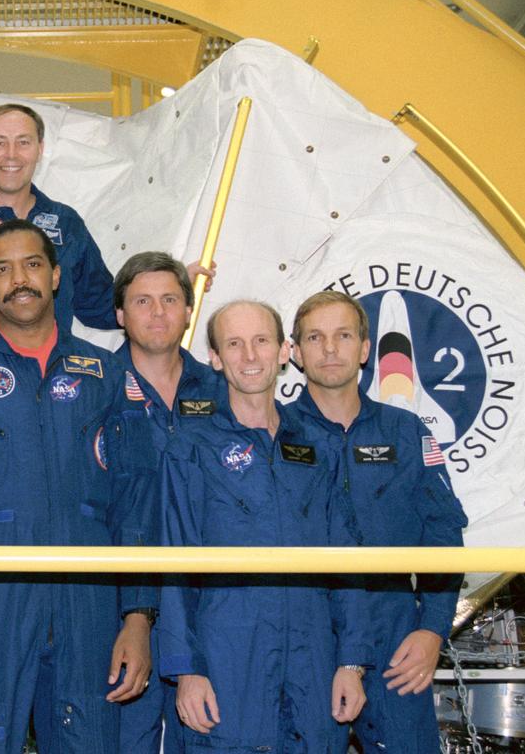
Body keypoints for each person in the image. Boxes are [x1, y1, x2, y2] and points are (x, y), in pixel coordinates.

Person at [0, 220, 148, 753]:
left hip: (88, 607)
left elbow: (134, 502)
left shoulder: (107, 375)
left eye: (33, 265)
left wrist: (138, 616)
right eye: (2, 269)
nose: (20, 280)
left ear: (57, 276)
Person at [158, 300, 370, 753]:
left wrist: (352, 662)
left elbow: (350, 561)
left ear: (283, 351)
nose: (249, 356)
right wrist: (187, 671)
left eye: (260, 342)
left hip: (313, 669)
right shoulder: (190, 449)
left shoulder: (320, 446)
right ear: (215, 357)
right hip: (227, 666)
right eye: (233, 344)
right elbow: (173, 566)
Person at [288, 290, 468, 754]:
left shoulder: (407, 432)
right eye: (316, 337)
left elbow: (443, 532)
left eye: (344, 335)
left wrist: (432, 629)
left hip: (395, 634)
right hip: (303, 631)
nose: (330, 349)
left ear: (366, 349)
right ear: (296, 352)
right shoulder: (274, 434)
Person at [109, 252, 226, 754]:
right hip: (116, 606)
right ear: (120, 315)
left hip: (206, 604)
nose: (157, 312)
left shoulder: (226, 391)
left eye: (170, 300)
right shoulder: (92, 389)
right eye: (142, 300)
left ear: (187, 310)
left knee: (204, 738)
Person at [0, 104, 117, 347]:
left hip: (50, 378)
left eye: (23, 142)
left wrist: (174, 289)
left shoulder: (67, 224)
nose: (11, 154)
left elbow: (101, 305)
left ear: (40, 150)